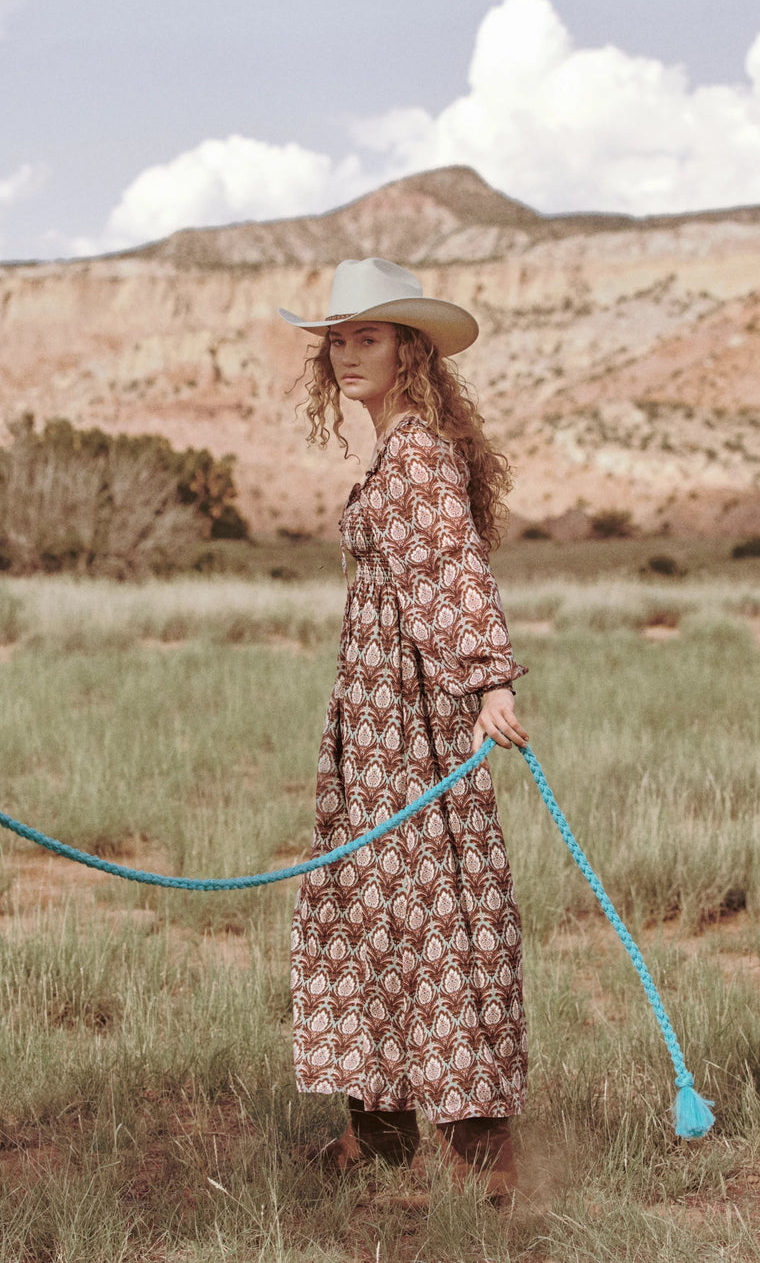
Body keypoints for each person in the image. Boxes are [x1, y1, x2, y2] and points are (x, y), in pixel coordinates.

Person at [279, 258, 529, 1201]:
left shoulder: (416, 453)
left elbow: (453, 571)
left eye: (367, 338)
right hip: (376, 721)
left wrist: (487, 683)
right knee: (367, 907)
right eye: (338, 340)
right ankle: (378, 1130)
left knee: (434, 907)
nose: (347, 355)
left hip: (414, 724)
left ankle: (478, 1148)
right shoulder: (397, 448)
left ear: (408, 348)